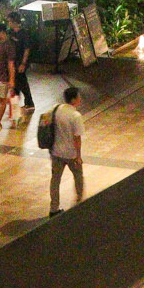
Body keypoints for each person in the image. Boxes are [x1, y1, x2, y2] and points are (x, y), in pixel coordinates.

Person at [48, 84, 86, 215]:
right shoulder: (75, 116)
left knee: (55, 180)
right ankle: (79, 201)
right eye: (79, 97)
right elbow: (77, 138)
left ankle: (53, 208)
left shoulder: (56, 109)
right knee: (78, 176)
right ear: (74, 99)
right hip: (71, 154)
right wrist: (78, 156)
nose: (80, 99)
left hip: (56, 152)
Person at [9, 12, 37, 120]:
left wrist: (23, 63)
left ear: (15, 22)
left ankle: (25, 104)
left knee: (20, 82)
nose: (9, 23)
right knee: (20, 82)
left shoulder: (23, 34)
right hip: (14, 62)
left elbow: (26, 49)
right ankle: (26, 103)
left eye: (10, 21)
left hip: (20, 62)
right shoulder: (12, 33)